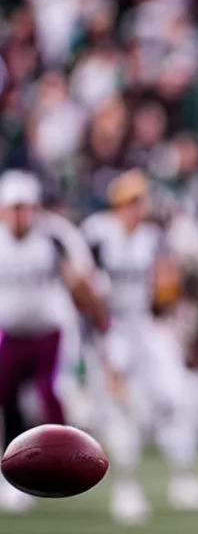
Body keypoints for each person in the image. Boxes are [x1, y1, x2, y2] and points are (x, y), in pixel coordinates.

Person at [81, 169, 198, 525]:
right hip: (110, 329)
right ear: (119, 203)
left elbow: (165, 287)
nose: (139, 208)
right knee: (120, 411)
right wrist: (101, 339)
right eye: (133, 201)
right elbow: (84, 289)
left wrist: (168, 310)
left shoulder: (152, 238)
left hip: (144, 324)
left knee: (174, 397)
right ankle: (127, 487)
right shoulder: (97, 234)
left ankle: (183, 477)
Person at [0, 170, 109, 512]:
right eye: (14, 208)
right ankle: (15, 475)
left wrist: (100, 319)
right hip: (11, 333)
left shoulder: (54, 237)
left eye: (26, 208)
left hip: (52, 332)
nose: (20, 216)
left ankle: (61, 470)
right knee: (5, 397)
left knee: (52, 397)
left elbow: (82, 282)